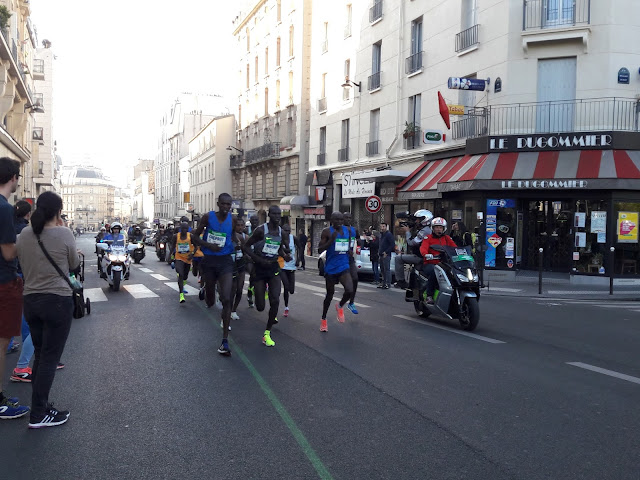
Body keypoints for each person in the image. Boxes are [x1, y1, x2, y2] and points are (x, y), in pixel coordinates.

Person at [17, 191, 81, 428]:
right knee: (49, 360)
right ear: (58, 211)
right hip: (56, 301)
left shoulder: (24, 233)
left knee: (41, 356)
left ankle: (41, 408)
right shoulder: (64, 233)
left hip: (31, 301)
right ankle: (38, 414)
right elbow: (74, 264)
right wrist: (63, 228)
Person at [0, 158, 30, 419]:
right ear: (13, 178)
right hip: (4, 281)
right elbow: (8, 252)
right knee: (2, 342)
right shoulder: (4, 209)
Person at [192, 193, 235, 356]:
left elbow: (232, 237)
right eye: (223, 204)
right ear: (218, 204)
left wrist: (238, 244)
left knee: (226, 298)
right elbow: (195, 236)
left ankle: (225, 341)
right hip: (209, 262)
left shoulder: (233, 219)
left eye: (228, 204)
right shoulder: (207, 217)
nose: (226, 207)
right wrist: (208, 244)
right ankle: (207, 291)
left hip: (225, 262)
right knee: (210, 301)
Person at [243, 206, 290, 347]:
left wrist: (285, 255)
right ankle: (255, 292)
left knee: (275, 300)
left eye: (279, 214)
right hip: (259, 269)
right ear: (269, 215)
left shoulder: (282, 233)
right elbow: (245, 247)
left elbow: (279, 248)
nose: (277, 216)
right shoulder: (261, 230)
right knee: (260, 307)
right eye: (274, 214)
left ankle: (267, 333)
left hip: (273, 269)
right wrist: (258, 260)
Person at [317, 212, 353, 332]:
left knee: (349, 290)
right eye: (336, 220)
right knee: (329, 295)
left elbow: (348, 243)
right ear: (331, 220)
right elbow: (319, 249)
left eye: (341, 219)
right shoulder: (327, 231)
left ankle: (340, 305)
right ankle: (323, 319)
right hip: (331, 267)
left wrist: (349, 251)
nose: (339, 222)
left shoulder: (347, 230)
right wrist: (330, 241)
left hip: (343, 264)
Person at [419, 217, 457, 304]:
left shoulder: (447, 238)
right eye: (436, 227)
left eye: (440, 227)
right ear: (433, 228)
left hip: (444, 264)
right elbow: (423, 248)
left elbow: (454, 248)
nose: (438, 229)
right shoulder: (428, 238)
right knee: (434, 272)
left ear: (444, 228)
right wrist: (426, 254)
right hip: (430, 263)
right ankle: (429, 295)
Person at [394, 209, 433, 289]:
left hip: (420, 256)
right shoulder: (425, 229)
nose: (416, 221)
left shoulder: (425, 231)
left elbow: (411, 243)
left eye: (418, 219)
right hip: (421, 255)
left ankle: (401, 281)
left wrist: (407, 232)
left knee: (398, 258)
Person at [230, 218, 248, 323]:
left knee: (239, 290)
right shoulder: (227, 237)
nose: (240, 227)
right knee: (231, 291)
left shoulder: (243, 237)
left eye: (242, 225)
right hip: (229, 267)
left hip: (240, 266)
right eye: (238, 225)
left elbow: (246, 251)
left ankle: (234, 310)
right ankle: (227, 308)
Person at [172, 222, 194, 304]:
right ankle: (181, 295)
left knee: (185, 275)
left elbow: (195, 246)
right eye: (183, 228)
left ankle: (183, 283)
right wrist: (170, 255)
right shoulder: (176, 236)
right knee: (180, 274)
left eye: (186, 229)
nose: (184, 230)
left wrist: (192, 254)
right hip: (179, 257)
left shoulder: (190, 236)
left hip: (187, 259)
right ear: (180, 229)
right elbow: (173, 245)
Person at [342, 212, 360, 314]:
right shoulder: (339, 229)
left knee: (355, 278)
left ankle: (351, 302)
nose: (348, 219)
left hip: (350, 258)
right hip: (339, 258)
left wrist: (360, 242)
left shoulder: (354, 230)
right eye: (346, 218)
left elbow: (357, 239)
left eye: (349, 218)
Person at [280, 224, 297, 317]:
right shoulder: (279, 238)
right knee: (286, 287)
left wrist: (299, 259)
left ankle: (286, 305)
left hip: (292, 266)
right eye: (285, 230)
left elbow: (301, 247)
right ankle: (286, 307)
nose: (287, 232)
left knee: (291, 290)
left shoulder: (293, 238)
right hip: (282, 266)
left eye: (288, 230)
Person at [245, 214, 260, 308]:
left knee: (254, 279)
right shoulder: (246, 231)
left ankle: (250, 292)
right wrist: (247, 255)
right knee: (252, 274)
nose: (255, 221)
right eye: (253, 220)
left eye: (256, 220)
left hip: (258, 257)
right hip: (249, 258)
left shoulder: (261, 230)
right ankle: (250, 295)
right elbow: (244, 244)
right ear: (250, 221)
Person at [378, 222, 395, 289]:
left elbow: (392, 245)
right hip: (381, 254)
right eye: (381, 226)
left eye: (383, 226)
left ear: (386, 227)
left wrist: (386, 252)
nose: (382, 228)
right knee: (382, 270)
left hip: (386, 255)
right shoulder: (381, 235)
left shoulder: (388, 235)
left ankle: (388, 283)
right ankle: (383, 283)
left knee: (387, 269)